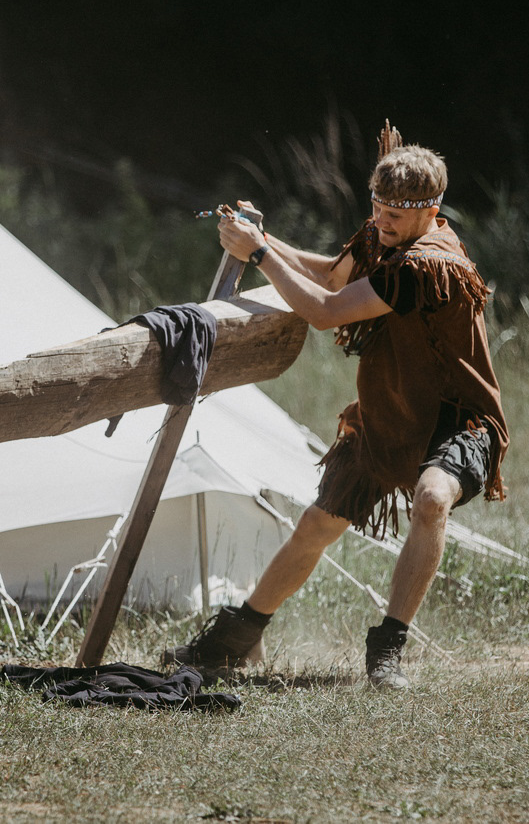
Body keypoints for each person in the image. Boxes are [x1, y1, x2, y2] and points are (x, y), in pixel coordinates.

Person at [163, 123, 508, 688]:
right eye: (377, 208)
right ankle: (237, 638)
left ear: (432, 211)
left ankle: (387, 650)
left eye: (395, 214)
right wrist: (264, 239)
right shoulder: (382, 236)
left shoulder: (425, 264)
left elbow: (326, 311)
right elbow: (329, 274)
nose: (381, 222)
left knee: (430, 500)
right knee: (317, 524)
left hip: (458, 419)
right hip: (392, 413)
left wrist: (261, 255)